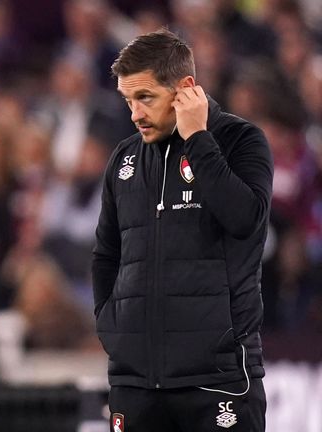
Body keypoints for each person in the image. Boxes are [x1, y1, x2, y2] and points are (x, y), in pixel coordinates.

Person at [92, 29, 272, 431]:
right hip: (134, 384)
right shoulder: (124, 159)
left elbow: (245, 220)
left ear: (185, 89)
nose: (135, 113)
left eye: (145, 98)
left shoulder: (241, 141)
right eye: (128, 100)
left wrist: (198, 138)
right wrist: (113, 329)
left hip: (218, 379)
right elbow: (106, 254)